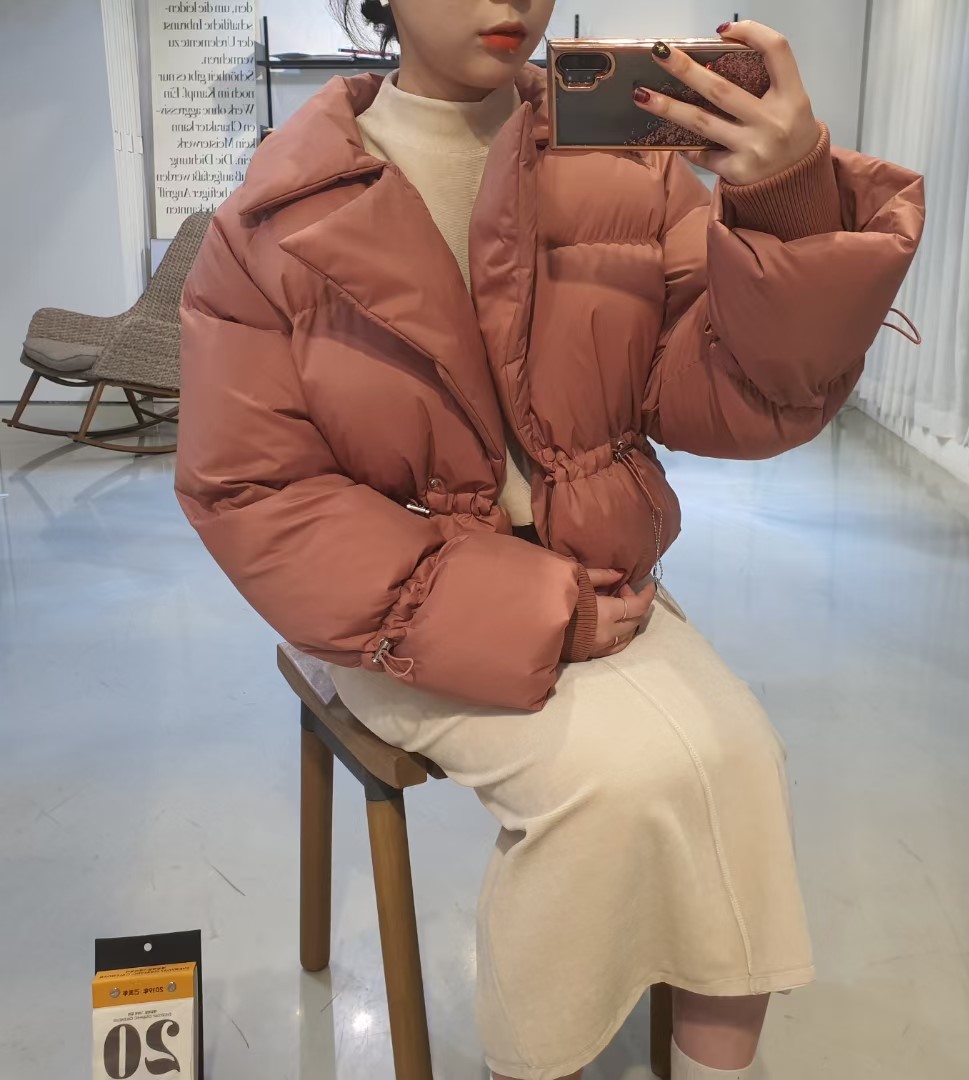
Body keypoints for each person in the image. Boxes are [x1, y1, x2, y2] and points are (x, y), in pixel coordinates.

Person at [176, 2, 924, 1077]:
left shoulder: (629, 170)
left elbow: (734, 397)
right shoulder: (270, 218)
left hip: (600, 576)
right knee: (609, 790)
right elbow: (257, 491)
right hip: (392, 612)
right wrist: (536, 613)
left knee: (741, 763)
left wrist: (787, 214)